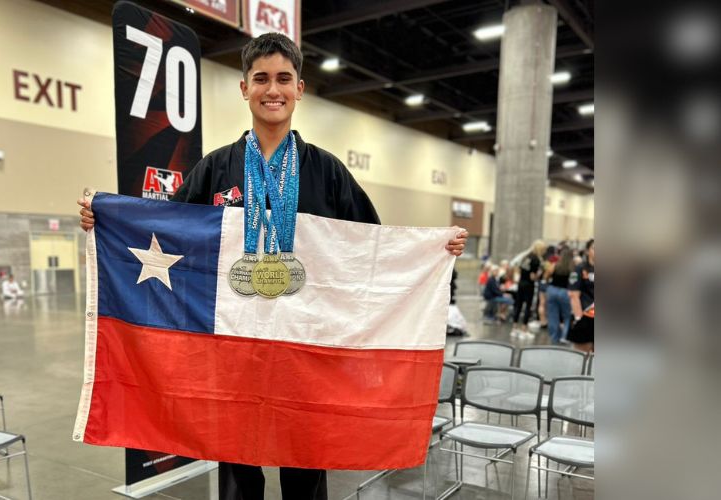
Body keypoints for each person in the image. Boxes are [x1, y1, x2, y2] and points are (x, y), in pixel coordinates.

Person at [78, 32, 468, 500]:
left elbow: (373, 248)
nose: (272, 89)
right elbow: (168, 231)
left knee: (305, 469)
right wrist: (108, 221)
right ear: (244, 88)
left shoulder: (326, 171)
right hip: (234, 351)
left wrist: (432, 252)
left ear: (300, 88)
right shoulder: (215, 168)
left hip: (306, 351)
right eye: (261, 78)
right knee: (237, 470)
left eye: (284, 78)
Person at [512, 240, 546, 338]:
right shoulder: (536, 259)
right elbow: (532, 277)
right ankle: (524, 329)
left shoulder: (525, 257)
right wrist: (539, 274)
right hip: (529, 285)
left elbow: (518, 268)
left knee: (518, 305)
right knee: (528, 306)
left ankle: (514, 328)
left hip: (521, 283)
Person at [568, 239, 595, 352]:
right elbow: (573, 294)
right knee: (583, 353)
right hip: (585, 316)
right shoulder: (579, 268)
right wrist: (578, 318)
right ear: (588, 251)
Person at [544, 247, 574, 344]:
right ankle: (564, 337)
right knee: (567, 316)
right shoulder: (573, 268)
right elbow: (574, 282)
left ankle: (554, 337)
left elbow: (546, 276)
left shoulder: (555, 265)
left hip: (552, 290)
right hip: (566, 292)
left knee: (552, 315)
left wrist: (548, 282)